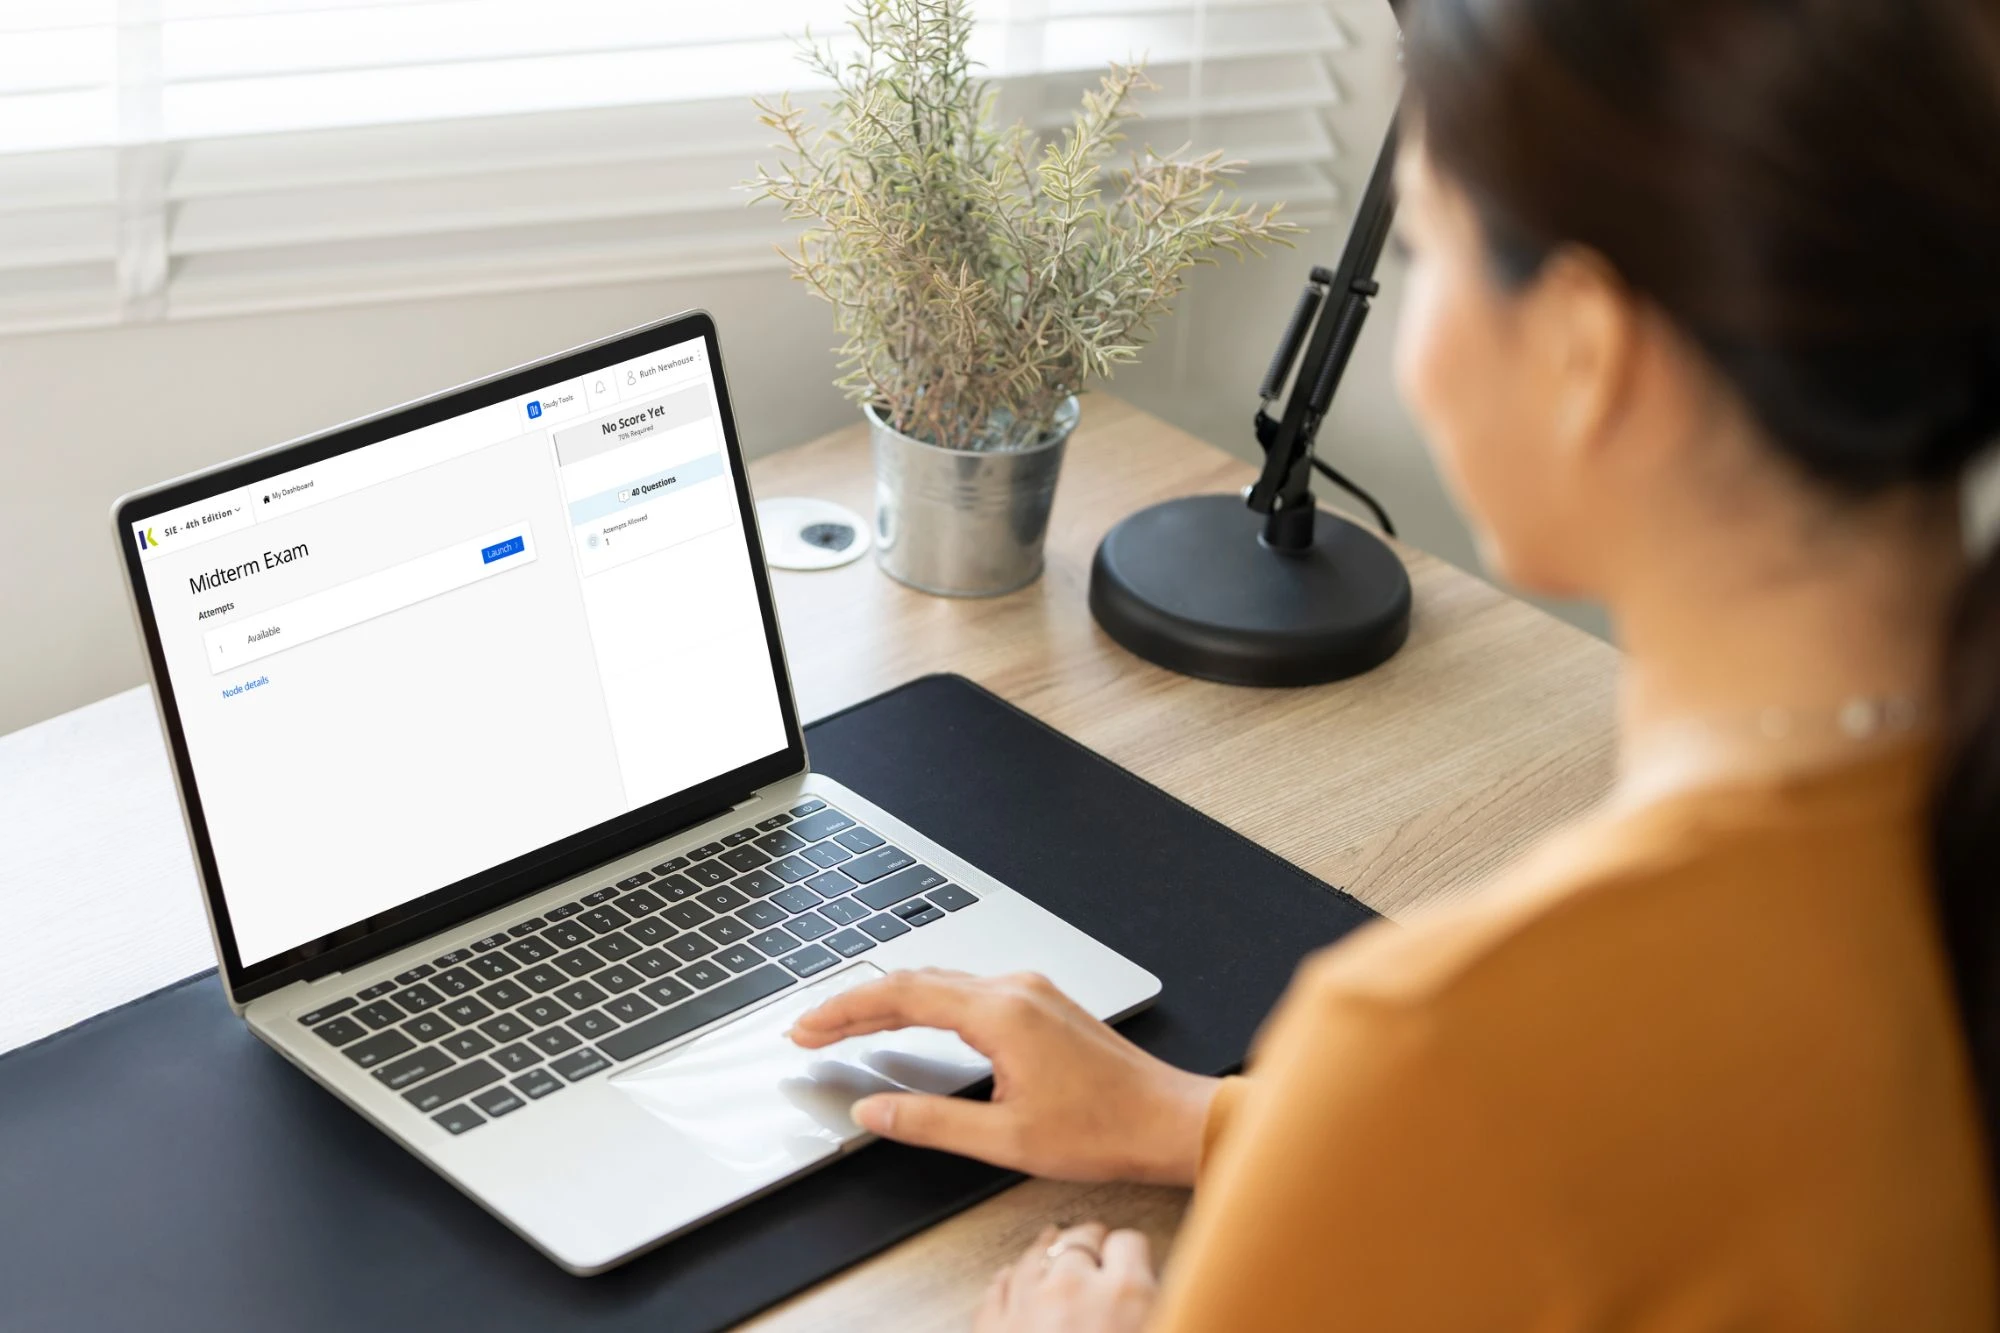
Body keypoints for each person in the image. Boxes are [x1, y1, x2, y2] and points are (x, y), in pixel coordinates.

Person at [789, 0, 2000, 1326]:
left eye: (1421, 252)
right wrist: (1212, 1122)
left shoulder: (1438, 1039)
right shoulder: (1914, 850)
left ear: (1585, 354)